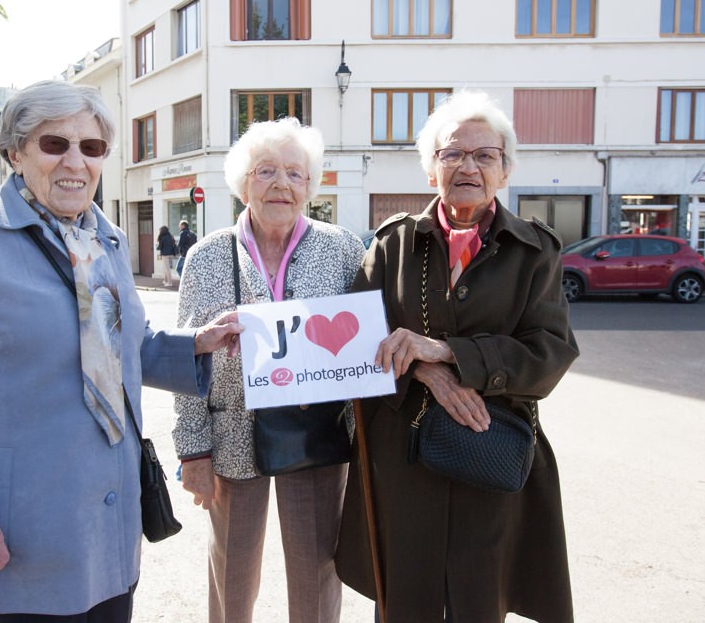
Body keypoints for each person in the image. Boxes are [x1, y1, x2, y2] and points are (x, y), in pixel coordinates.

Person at [0, 80, 242, 622]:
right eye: (54, 144)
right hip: (23, 539)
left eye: (90, 148)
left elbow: (120, 349)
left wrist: (197, 346)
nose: (75, 161)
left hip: (110, 532)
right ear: (16, 152)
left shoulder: (103, 240)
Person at [335, 91, 579, 622]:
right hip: (402, 461)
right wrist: (426, 370)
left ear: (504, 169)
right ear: (431, 170)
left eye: (484, 155)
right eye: (452, 154)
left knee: (479, 598)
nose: (468, 166)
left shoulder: (537, 251)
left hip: (491, 449)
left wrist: (449, 353)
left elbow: (551, 352)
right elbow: (354, 344)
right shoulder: (390, 245)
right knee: (402, 600)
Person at [173, 117, 365, 623]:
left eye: (295, 174)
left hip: (317, 435)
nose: (281, 184)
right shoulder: (206, 255)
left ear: (310, 185)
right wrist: (193, 449)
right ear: (242, 182)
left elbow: (367, 345)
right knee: (231, 574)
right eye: (265, 171)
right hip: (232, 432)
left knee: (317, 572)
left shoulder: (343, 247)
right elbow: (184, 357)